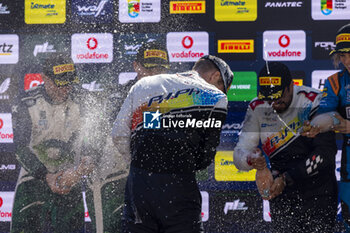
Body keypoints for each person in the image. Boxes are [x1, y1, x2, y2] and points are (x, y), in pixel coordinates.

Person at [112, 55, 233, 233]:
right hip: (179, 185)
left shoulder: (145, 84)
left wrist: (139, 163)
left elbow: (119, 134)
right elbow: (205, 156)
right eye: (224, 86)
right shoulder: (216, 96)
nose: (224, 92)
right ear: (215, 76)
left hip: (139, 184)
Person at [233, 62, 338, 233]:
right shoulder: (257, 106)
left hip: (318, 191)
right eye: (269, 99)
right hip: (282, 193)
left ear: (291, 85)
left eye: (278, 97)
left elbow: (325, 153)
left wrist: (287, 177)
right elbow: (241, 152)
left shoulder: (314, 101)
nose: (273, 103)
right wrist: (251, 160)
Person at [84, 41, 170, 233]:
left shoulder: (174, 98)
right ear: (136, 66)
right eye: (150, 68)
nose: (155, 74)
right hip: (111, 179)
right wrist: (89, 156)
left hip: (148, 179)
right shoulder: (118, 96)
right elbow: (94, 130)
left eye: (160, 69)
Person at [11, 53, 94, 233]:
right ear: (45, 78)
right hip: (33, 179)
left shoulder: (85, 101)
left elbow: (93, 142)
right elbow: (20, 149)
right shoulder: (27, 103)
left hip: (69, 179)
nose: (65, 89)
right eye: (59, 84)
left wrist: (79, 171)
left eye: (69, 83)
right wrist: (46, 176)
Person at [303, 23, 350, 232]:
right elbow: (327, 114)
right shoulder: (335, 82)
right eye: (342, 55)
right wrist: (316, 127)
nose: (346, 61)